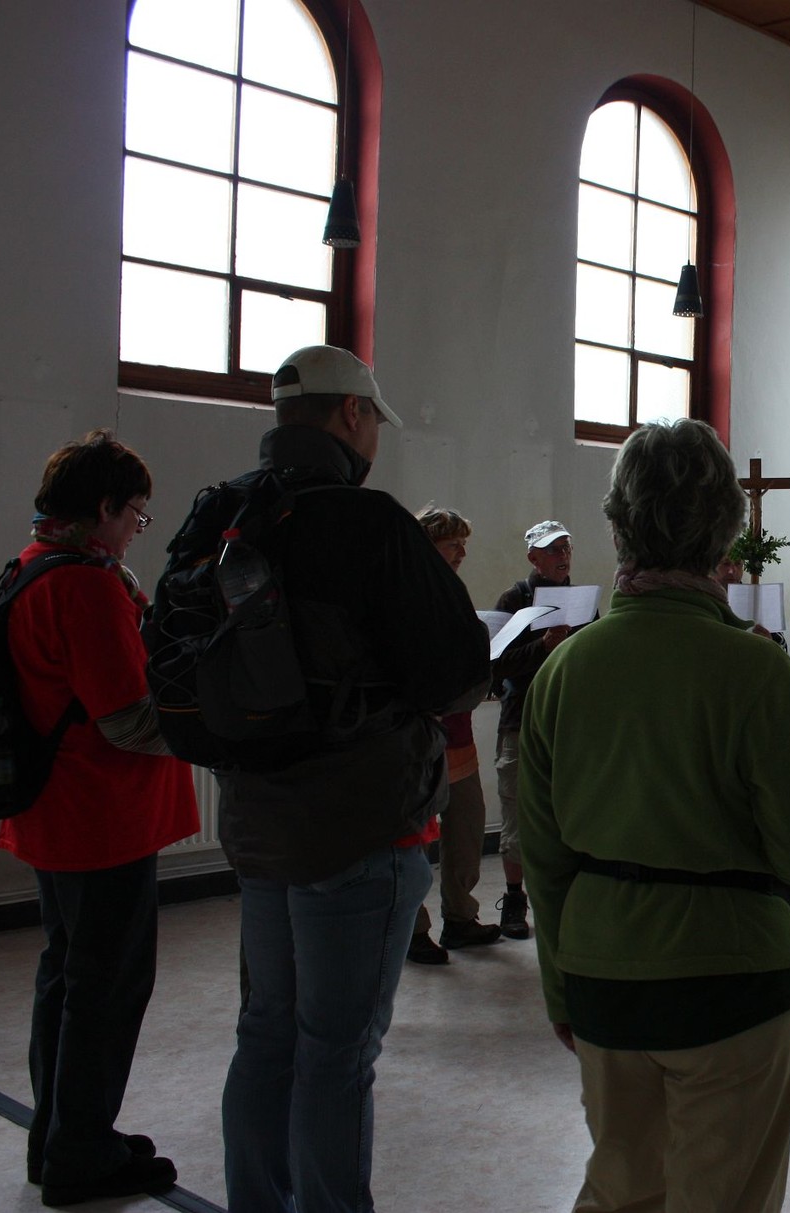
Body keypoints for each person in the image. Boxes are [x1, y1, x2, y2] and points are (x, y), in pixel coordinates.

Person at [519, 418, 790, 1213]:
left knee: (620, 1190)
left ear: (616, 524)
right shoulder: (755, 669)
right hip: (731, 983)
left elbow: (542, 856)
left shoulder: (565, 667)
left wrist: (562, 991)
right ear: (726, 528)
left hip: (602, 979)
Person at [212, 346, 492, 1213]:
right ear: (349, 416)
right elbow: (454, 673)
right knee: (336, 1051)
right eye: (371, 418)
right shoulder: (369, 523)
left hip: (257, 820)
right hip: (357, 826)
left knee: (265, 1035)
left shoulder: (220, 517)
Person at [0, 430, 198, 1207]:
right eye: (136, 515)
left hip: (59, 815)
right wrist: (209, 722)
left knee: (69, 978)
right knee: (107, 988)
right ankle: (82, 1151)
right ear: (106, 506)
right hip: (101, 818)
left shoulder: (31, 565)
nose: (135, 529)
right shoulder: (83, 585)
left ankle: (57, 1135)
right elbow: (126, 717)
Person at [406, 506, 502, 965]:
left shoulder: (451, 589)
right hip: (422, 732)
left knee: (466, 825)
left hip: (458, 732)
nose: (462, 552)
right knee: (416, 834)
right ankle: (413, 928)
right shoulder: (409, 591)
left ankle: (460, 918)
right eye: (453, 544)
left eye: (464, 543)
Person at [490, 518, 583, 940]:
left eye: (566, 548)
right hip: (521, 719)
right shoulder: (514, 599)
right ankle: (514, 899)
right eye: (553, 550)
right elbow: (496, 664)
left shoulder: (582, 599)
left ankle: (566, 896)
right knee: (517, 813)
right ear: (533, 557)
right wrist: (542, 647)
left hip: (567, 722)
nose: (562, 557)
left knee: (567, 811)